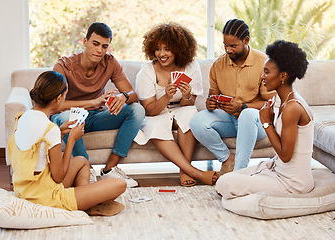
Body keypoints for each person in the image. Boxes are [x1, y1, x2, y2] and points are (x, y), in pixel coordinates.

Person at [8, 71, 126, 216]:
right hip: (45, 197)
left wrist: (60, 131)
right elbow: (58, 177)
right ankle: (84, 206)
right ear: (58, 98)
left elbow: (36, 146)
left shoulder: (22, 117)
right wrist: (71, 140)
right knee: (120, 184)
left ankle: (85, 202)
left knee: (82, 161)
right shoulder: (49, 129)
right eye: (65, 96)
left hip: (25, 189)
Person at [216, 40, 314, 199]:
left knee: (224, 184)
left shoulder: (292, 107)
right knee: (226, 179)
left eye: (267, 72)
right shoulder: (287, 101)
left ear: (283, 76)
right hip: (279, 169)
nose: (262, 76)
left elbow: (286, 155)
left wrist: (267, 123)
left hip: (292, 183)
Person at [51, 22, 145, 188]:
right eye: (95, 44)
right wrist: (92, 102)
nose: (99, 50)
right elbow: (54, 106)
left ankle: (110, 169)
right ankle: (85, 170)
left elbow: (133, 95)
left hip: (96, 117)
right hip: (70, 117)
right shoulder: (64, 66)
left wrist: (123, 96)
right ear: (84, 41)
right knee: (67, 117)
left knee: (136, 110)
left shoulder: (110, 63)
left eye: (104, 46)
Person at [134, 22, 219, 186]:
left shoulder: (191, 66)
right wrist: (166, 96)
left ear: (179, 49)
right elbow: (149, 111)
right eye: (157, 49)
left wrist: (187, 95)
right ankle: (194, 172)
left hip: (181, 109)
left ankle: (184, 171)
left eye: (167, 49)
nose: (161, 54)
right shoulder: (147, 70)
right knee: (154, 125)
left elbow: (189, 104)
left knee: (190, 114)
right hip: (156, 113)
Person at [190, 19, 276, 175]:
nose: (228, 50)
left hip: (255, 122)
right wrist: (211, 103)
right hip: (229, 120)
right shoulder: (218, 65)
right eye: (225, 45)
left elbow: (269, 103)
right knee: (196, 121)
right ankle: (228, 159)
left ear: (246, 41)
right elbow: (213, 96)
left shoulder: (263, 63)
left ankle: (239, 172)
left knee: (247, 114)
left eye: (233, 46)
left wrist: (243, 107)